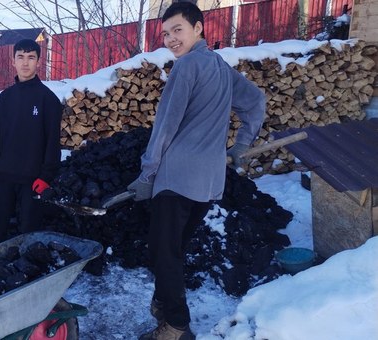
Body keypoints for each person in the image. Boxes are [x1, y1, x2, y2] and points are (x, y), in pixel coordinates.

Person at [126, 3, 266, 339]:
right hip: (207, 183)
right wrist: (242, 145)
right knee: (170, 252)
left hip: (176, 179)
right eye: (165, 34)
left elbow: (166, 126)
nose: (171, 39)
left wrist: (147, 175)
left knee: (164, 253)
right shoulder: (219, 66)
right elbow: (257, 102)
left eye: (178, 30)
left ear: (198, 28)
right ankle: (164, 306)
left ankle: (175, 326)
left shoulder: (187, 66)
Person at [0, 39, 63, 246]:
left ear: (38, 62)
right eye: (20, 57)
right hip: (3, 176)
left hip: (32, 179)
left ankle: (28, 272)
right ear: (13, 61)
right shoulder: (5, 98)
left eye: (31, 58)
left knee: (30, 230)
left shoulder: (48, 100)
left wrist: (46, 176)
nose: (25, 63)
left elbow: (53, 142)